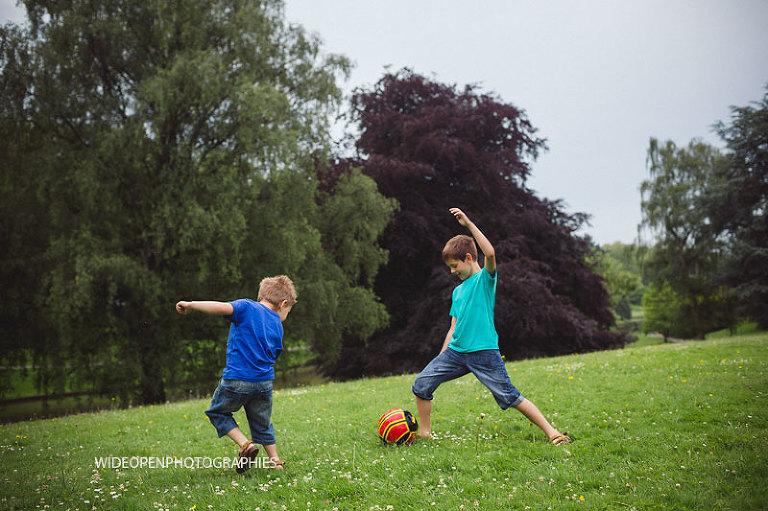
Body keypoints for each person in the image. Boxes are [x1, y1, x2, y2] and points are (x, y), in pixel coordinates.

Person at [411, 208, 572, 445]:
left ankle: (553, 433)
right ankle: (425, 432)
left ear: (468, 258)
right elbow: (452, 327)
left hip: (484, 353)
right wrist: (442, 356)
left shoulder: (485, 280)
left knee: (509, 395)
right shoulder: (457, 291)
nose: (452, 272)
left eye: (455, 266)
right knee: (421, 384)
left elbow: (490, 252)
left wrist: (468, 224)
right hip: (455, 353)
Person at [175, 275, 298, 472]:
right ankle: (275, 461)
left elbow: (221, 307)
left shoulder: (246, 307)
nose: (286, 315)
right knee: (262, 423)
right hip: (264, 382)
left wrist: (191, 304)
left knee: (218, 412)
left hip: (237, 378)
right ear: (283, 303)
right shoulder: (277, 324)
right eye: (288, 311)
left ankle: (245, 445)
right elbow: (275, 353)